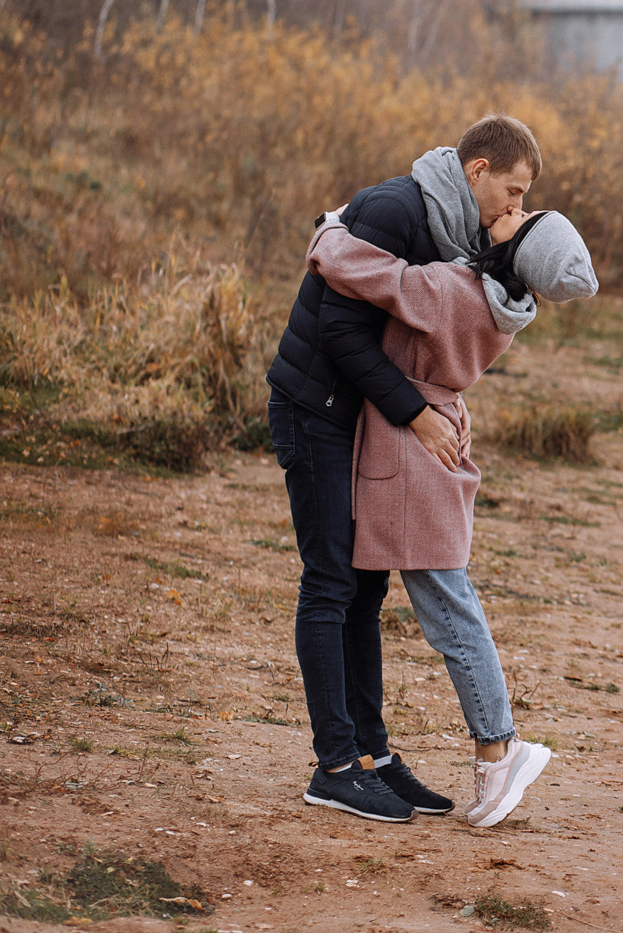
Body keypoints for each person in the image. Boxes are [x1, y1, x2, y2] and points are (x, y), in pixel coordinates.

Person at [264, 115, 541, 823]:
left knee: (363, 585)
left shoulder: (455, 228)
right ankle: (334, 766)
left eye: (523, 201)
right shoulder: (397, 209)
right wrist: (416, 413)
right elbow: (341, 331)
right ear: (477, 169)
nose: (512, 208)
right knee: (329, 582)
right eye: (509, 192)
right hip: (316, 408)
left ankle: (372, 755)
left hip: (354, 413)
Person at [304, 202, 597, 825]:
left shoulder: (450, 291)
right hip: (434, 439)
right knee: (447, 600)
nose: (510, 210)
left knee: (448, 609)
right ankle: (441, 752)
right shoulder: (502, 303)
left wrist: (332, 226)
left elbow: (361, 270)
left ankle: (499, 750)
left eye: (522, 217)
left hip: (414, 452)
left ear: (522, 253)